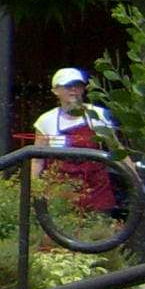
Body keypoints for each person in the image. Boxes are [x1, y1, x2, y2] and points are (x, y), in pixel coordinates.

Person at [32, 67, 120, 214]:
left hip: (96, 191)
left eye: (77, 85)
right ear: (55, 91)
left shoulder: (98, 115)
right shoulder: (46, 121)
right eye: (67, 86)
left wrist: (136, 180)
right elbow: (37, 161)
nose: (73, 89)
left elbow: (117, 150)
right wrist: (32, 190)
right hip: (60, 193)